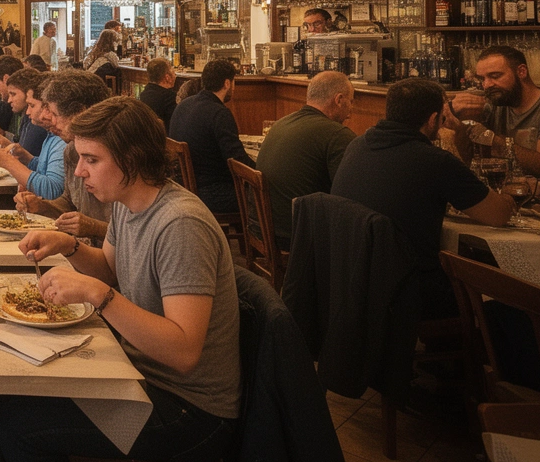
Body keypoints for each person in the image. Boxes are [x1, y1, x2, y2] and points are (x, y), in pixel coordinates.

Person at [0, 96, 240, 462]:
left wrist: (97, 295)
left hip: (189, 412)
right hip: (141, 374)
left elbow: (184, 351)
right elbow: (109, 270)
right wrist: (69, 246)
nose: (79, 172)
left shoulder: (181, 225)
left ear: (132, 159)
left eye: (91, 160)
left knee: (19, 423)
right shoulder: (128, 202)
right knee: (14, 393)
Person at [332, 77, 513, 319]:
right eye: (441, 118)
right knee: (512, 301)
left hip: (354, 286)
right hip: (408, 295)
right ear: (432, 119)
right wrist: (511, 193)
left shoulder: (357, 145)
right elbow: (498, 215)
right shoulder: (435, 161)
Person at [255, 71, 356, 249]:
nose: (351, 110)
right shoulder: (337, 135)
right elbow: (350, 195)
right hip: (296, 237)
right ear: (339, 100)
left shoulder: (281, 123)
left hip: (261, 228)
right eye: (351, 101)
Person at [451, 45, 540, 178]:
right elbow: (470, 163)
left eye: (495, 76)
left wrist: (490, 139)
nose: (487, 85)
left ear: (521, 72)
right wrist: (455, 121)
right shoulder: (496, 104)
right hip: (503, 189)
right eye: (482, 79)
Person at [15, 70, 113, 241]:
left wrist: (94, 228)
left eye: (54, 114)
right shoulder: (71, 150)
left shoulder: (115, 154)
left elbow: (135, 235)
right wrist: (41, 206)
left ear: (81, 113)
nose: (48, 119)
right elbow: (68, 202)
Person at [167, 59, 254, 214]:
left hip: (182, 187)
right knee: (265, 195)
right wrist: (262, 171)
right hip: (210, 194)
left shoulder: (183, 105)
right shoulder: (219, 113)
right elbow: (237, 161)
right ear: (227, 83)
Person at [0, 70, 65, 200]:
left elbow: (52, 190)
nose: (28, 111)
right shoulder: (52, 135)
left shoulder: (61, 139)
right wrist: (27, 158)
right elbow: (44, 168)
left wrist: (7, 162)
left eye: (32, 105)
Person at [138, 58, 178, 129]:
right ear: (167, 77)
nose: (175, 75)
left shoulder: (143, 94)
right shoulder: (170, 98)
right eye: (173, 72)